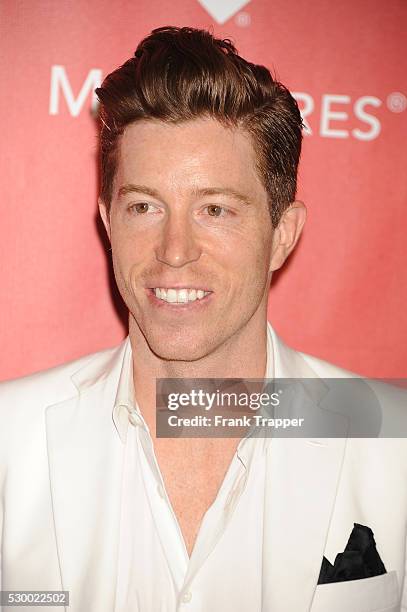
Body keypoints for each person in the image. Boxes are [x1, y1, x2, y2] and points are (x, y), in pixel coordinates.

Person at [0, 25, 406, 612]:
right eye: (144, 206)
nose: (174, 249)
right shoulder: (8, 440)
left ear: (281, 236)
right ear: (109, 224)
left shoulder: (393, 445)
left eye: (215, 209)